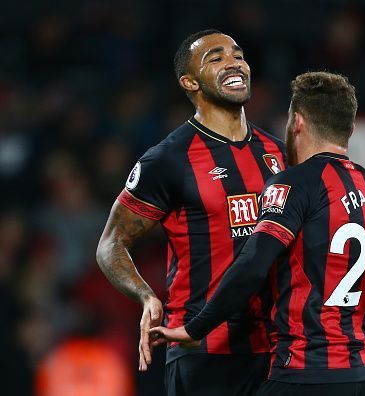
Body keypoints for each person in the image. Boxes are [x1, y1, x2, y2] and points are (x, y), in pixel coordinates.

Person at [150, 71, 365, 396]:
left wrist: (196, 328)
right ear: (349, 128)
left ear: (298, 123)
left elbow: (252, 265)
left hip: (307, 369)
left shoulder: (294, 182)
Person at [96, 29, 286, 396]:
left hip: (279, 351)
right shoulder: (168, 159)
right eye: (215, 58)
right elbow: (111, 243)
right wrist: (146, 295)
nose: (233, 62)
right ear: (190, 82)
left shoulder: (279, 153)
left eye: (237, 54)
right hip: (203, 352)